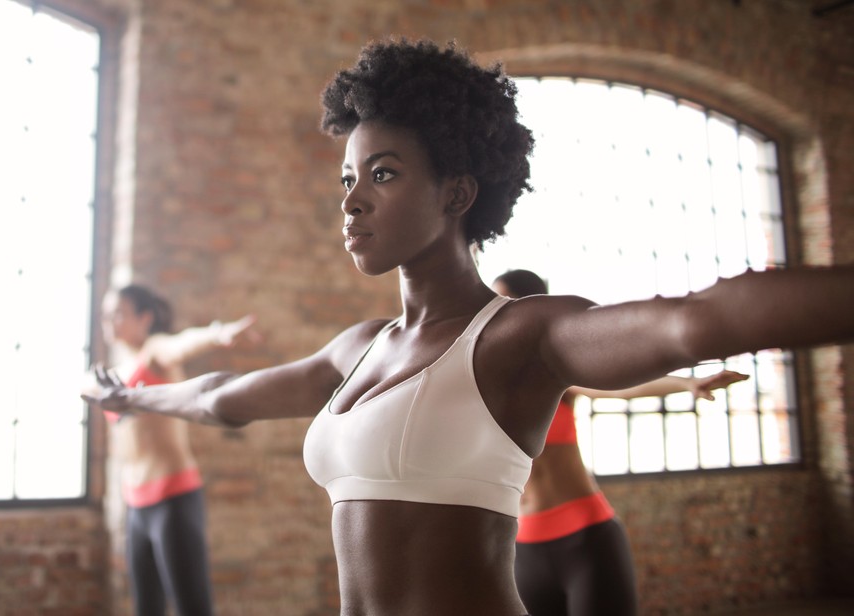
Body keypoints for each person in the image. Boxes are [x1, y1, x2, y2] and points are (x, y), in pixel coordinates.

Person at [82, 37, 854, 614]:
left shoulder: (520, 337)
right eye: (348, 178)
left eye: (383, 174)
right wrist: (133, 398)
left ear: (456, 193)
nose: (352, 201)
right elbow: (226, 396)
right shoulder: (358, 348)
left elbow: (697, 322)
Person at [493, 269, 748, 616]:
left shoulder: (555, 374)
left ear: (529, 307)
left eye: (505, 301)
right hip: (523, 550)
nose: (498, 311)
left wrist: (686, 384)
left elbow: (621, 384)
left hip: (585, 540)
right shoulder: (489, 382)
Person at [91, 283, 258, 616]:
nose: (109, 321)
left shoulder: (153, 352)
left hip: (172, 499)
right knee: (146, 609)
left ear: (145, 318)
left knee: (191, 608)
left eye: (119, 313)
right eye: (106, 314)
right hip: (136, 505)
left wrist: (217, 333)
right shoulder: (113, 371)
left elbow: (179, 345)